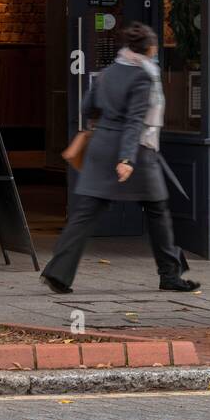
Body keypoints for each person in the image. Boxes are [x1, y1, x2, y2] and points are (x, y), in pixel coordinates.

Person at [40, 21, 200, 295]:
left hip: (101, 146)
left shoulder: (108, 72)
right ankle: (170, 275)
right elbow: (135, 121)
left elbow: (87, 106)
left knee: (84, 213)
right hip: (136, 150)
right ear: (150, 48)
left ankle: (58, 273)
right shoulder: (143, 77)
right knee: (158, 211)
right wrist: (126, 158)